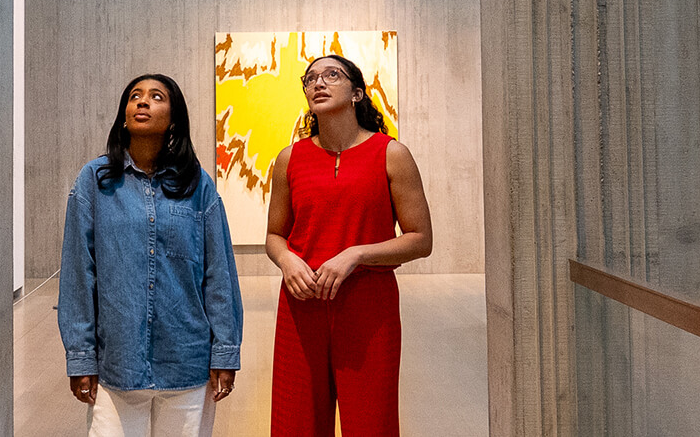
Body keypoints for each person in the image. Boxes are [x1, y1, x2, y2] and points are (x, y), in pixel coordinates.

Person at [60, 73, 244, 437]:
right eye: (134, 96)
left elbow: (218, 272)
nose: (142, 102)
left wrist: (225, 350)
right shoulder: (94, 181)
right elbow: (79, 274)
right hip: (117, 364)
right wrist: (81, 355)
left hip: (186, 362)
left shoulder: (198, 184)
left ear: (174, 118)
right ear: (124, 114)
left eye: (156, 96)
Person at [266, 55, 434, 437]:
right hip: (300, 306)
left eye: (331, 75)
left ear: (357, 92)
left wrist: (356, 254)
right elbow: (275, 235)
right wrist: (287, 261)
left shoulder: (391, 153)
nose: (317, 83)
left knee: (371, 423)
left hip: (369, 307)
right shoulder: (289, 159)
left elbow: (420, 239)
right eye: (310, 79)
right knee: (296, 423)